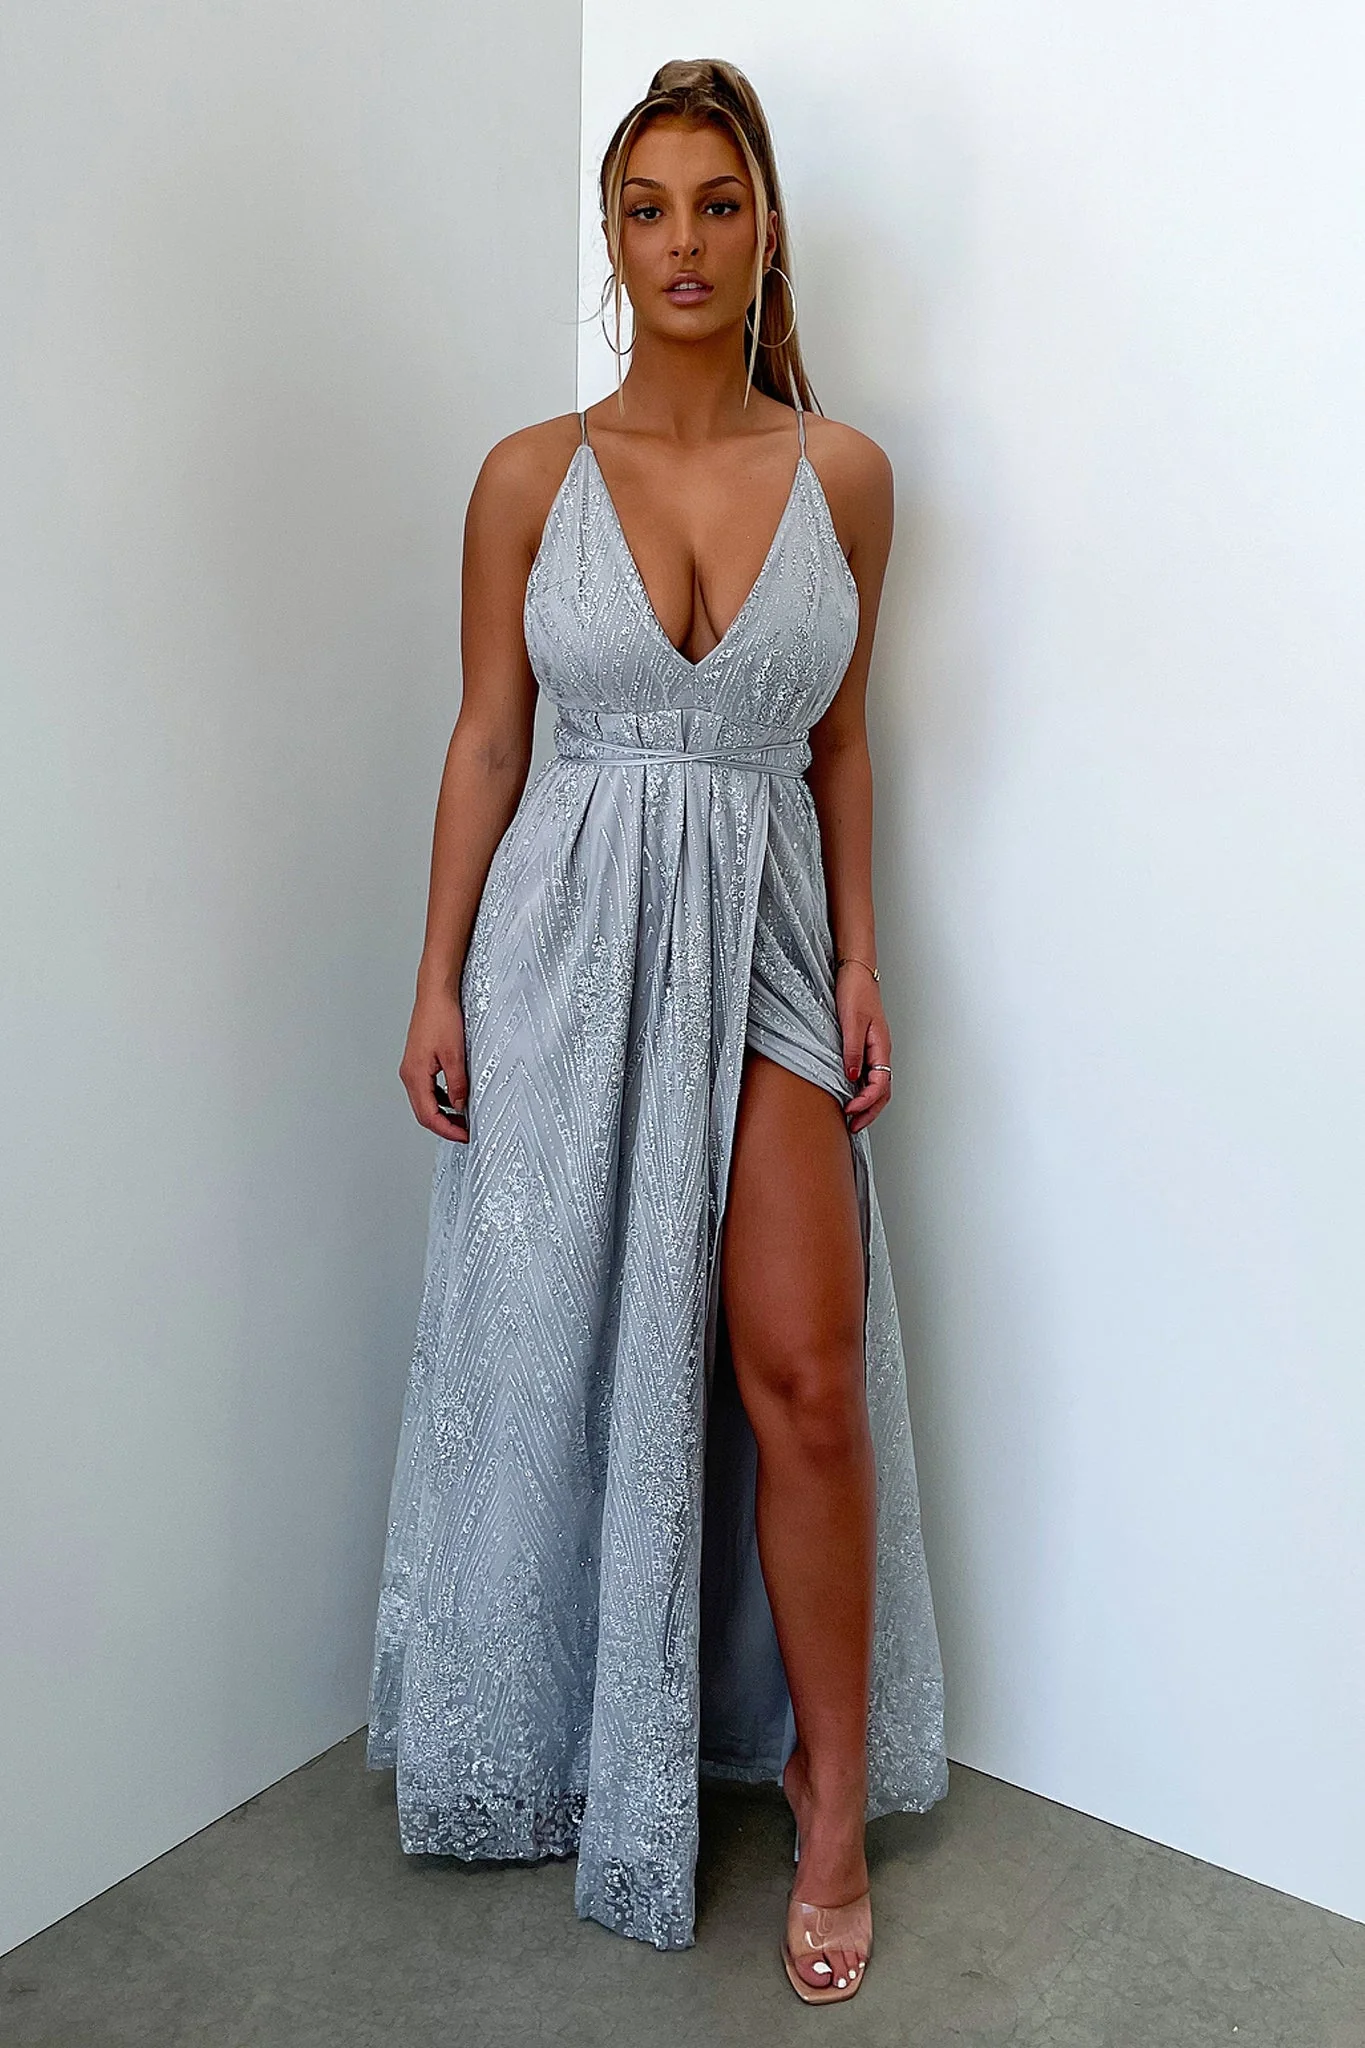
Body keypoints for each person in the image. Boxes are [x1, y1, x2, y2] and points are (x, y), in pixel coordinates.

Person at [365, 56, 947, 2006]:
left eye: (716, 203)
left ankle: (829, 1802)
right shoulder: (528, 476)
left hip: (763, 942)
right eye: (645, 208)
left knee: (806, 1375)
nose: (681, 242)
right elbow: (487, 739)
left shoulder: (844, 476)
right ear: (610, 239)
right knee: (560, 1357)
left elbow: (841, 740)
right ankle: (575, 1736)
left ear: (765, 228)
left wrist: (858, 963)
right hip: (562, 946)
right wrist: (436, 974)